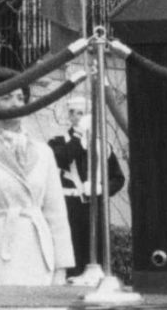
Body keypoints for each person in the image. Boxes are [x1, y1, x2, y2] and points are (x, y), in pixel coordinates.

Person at [0, 81, 75, 288]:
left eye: (20, 98)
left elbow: (56, 213)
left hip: (39, 252)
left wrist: (61, 266)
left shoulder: (43, 151)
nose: (15, 104)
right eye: (6, 98)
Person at [51, 102, 125, 276]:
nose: (79, 117)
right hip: (70, 206)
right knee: (72, 256)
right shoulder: (59, 141)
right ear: (69, 116)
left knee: (97, 257)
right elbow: (62, 159)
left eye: (83, 113)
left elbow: (118, 178)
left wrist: (101, 188)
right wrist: (78, 136)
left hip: (95, 205)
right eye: (75, 113)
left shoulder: (103, 144)